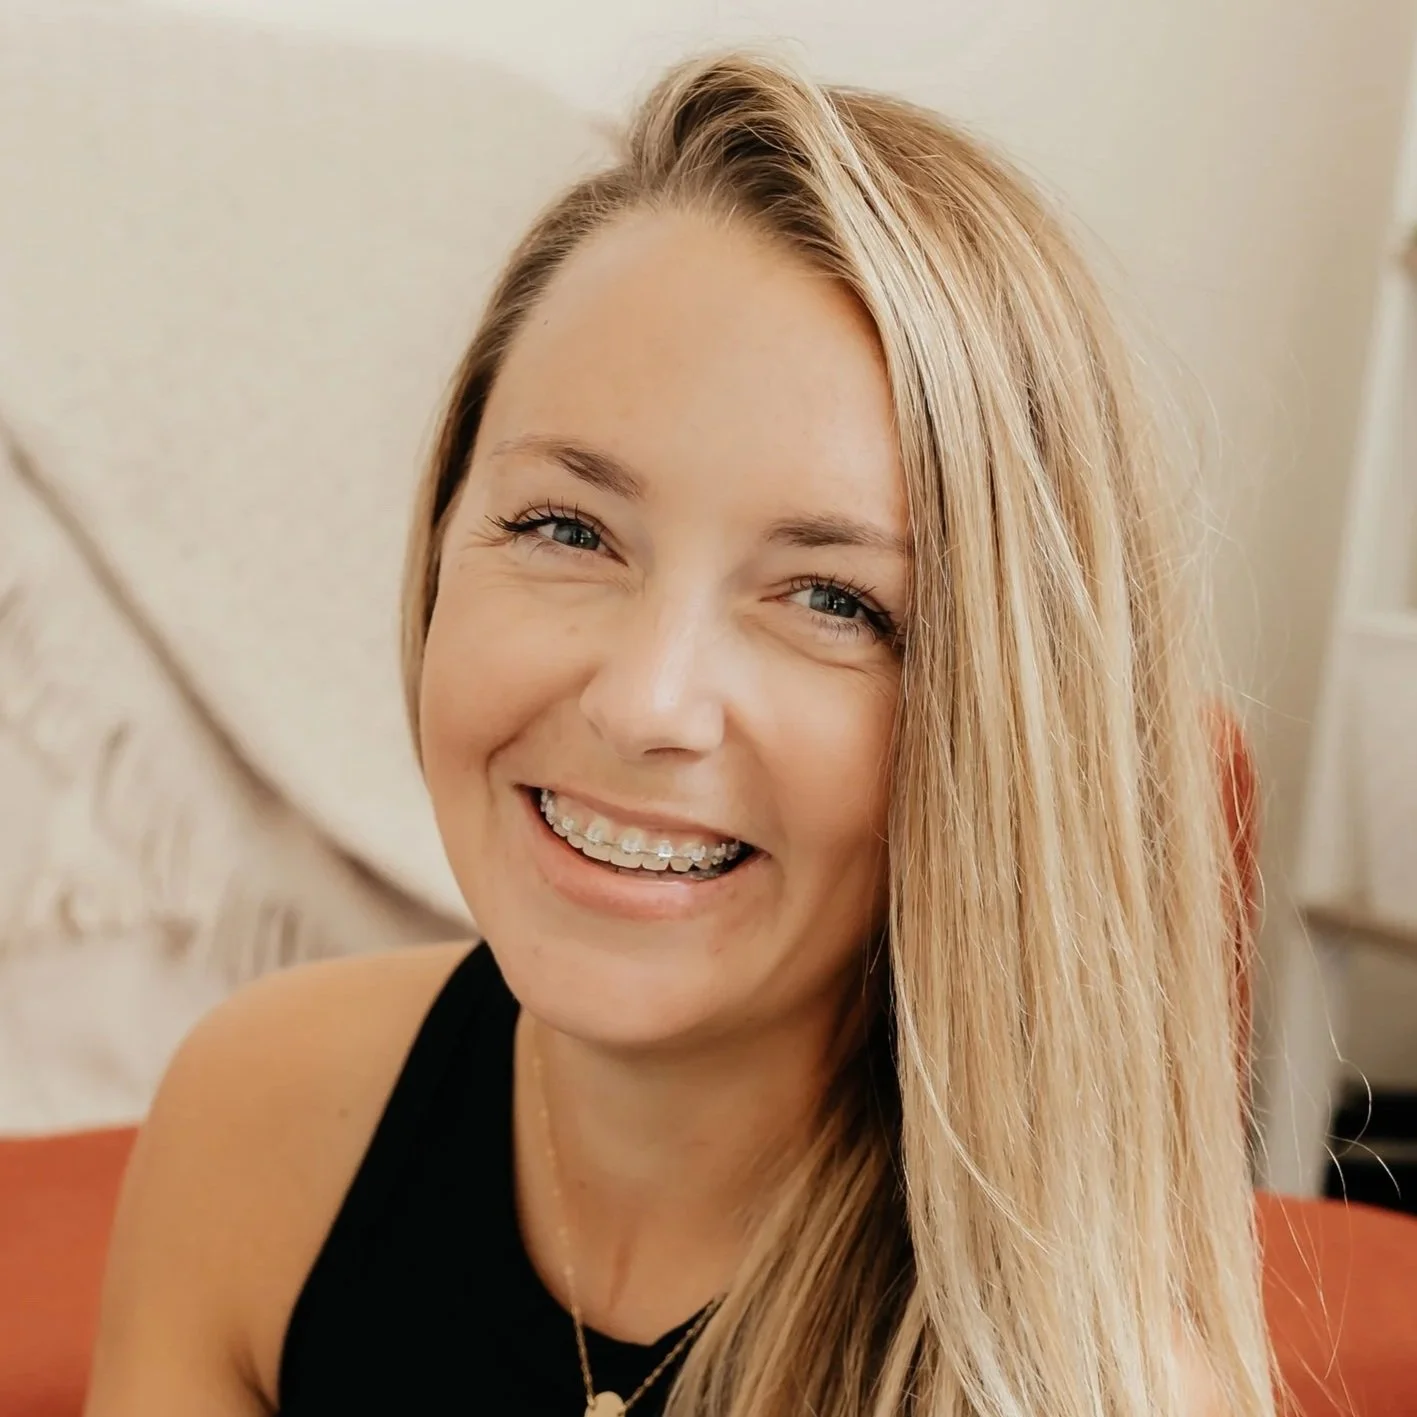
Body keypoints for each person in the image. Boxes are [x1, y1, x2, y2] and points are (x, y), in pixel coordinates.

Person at [82, 50, 1272, 1417]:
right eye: (567, 529)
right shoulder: (260, 1117)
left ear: (1004, 729)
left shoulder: (1086, 1390)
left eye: (832, 600)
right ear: (442, 534)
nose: (644, 700)